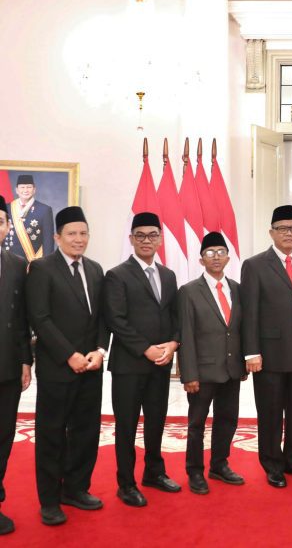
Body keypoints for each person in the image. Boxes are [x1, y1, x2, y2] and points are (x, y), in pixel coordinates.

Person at [26, 206, 109, 526]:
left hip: (91, 366)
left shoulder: (96, 269)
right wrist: (69, 354)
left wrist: (99, 350)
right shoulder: (42, 268)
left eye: (83, 233)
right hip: (58, 367)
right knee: (52, 435)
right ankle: (49, 500)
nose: (79, 239)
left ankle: (75, 489)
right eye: (72, 234)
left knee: (86, 431)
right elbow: (40, 318)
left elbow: (102, 317)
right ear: (57, 237)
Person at [241, 205, 292, 488]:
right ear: (271, 232)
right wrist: (251, 352)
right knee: (271, 413)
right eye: (283, 228)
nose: (289, 233)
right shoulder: (254, 265)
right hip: (269, 354)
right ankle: (272, 464)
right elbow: (249, 312)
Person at [104, 212, 181, 507]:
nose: (146, 240)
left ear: (160, 239)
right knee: (126, 425)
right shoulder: (117, 275)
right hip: (129, 365)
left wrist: (173, 343)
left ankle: (154, 472)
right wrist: (145, 348)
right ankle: (126, 483)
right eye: (140, 235)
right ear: (132, 239)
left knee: (156, 420)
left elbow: (174, 316)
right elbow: (116, 319)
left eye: (152, 235)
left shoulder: (168, 275)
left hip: (161, 363)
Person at [177, 232, 247, 495]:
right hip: (202, 371)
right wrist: (189, 374)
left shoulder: (237, 289)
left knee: (228, 420)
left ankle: (219, 465)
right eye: (210, 253)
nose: (216, 257)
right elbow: (186, 334)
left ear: (228, 258)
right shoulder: (189, 291)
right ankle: (194, 471)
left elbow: (240, 329)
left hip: (231, 369)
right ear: (201, 259)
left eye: (221, 252)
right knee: (197, 424)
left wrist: (243, 362)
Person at [0, 196, 32, 535]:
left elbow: (22, 318)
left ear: (8, 227)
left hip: (7, 365)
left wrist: (26, 359)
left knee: (3, 435)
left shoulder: (16, 264)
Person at [3, 174, 54, 261]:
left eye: (29, 187)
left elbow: (48, 241)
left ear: (34, 189)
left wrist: (46, 263)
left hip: (33, 262)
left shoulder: (44, 210)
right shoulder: (7, 208)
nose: (25, 190)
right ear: (17, 190)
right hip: (10, 260)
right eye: (22, 187)